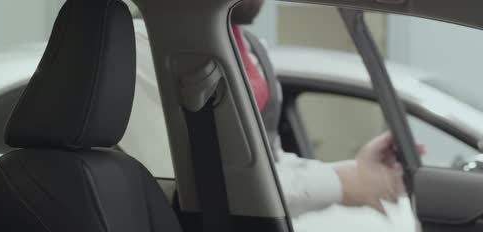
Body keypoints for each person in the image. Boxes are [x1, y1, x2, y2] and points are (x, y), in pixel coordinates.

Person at [125, 4, 408, 217]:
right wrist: (342, 183)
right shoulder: (145, 45)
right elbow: (214, 185)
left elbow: (265, 160)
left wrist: (352, 172)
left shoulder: (241, 44)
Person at [231, 0, 408, 216]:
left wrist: (358, 174)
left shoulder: (249, 48)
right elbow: (231, 185)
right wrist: (342, 184)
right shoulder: (193, 56)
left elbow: (270, 161)